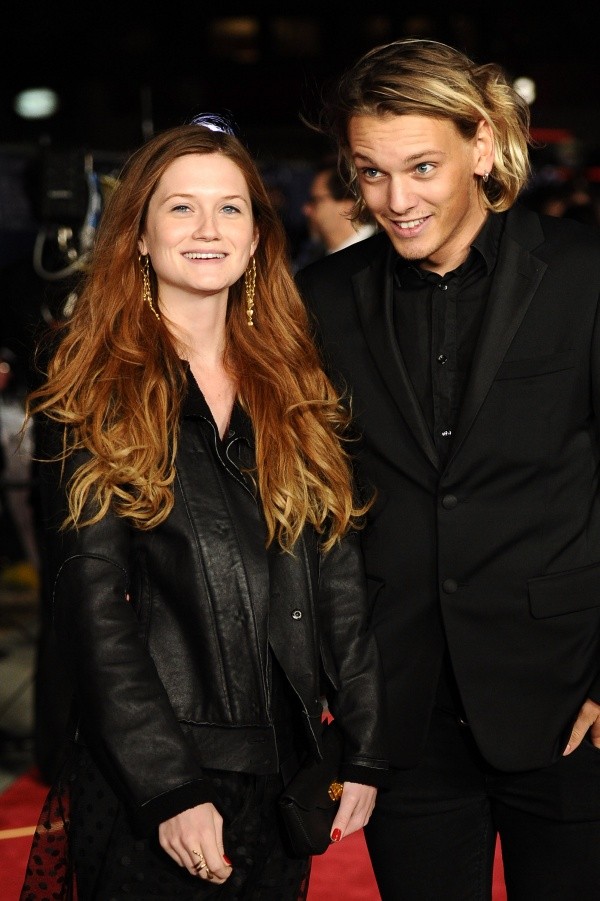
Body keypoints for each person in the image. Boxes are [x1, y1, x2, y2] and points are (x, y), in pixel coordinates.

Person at [19, 114, 388, 901]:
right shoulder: (91, 386)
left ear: (257, 237)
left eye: (230, 208)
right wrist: (167, 785)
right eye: (181, 207)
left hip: (283, 774)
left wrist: (363, 744)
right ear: (139, 238)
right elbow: (94, 607)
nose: (208, 228)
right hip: (154, 777)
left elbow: (338, 572)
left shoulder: (297, 384)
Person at [295, 38, 600, 901]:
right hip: (403, 711)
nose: (396, 200)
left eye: (421, 166)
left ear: (481, 144)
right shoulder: (323, 298)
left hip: (569, 703)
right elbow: (320, 496)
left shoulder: (584, 276)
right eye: (372, 172)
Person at [294, 157, 377, 269]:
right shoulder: (312, 262)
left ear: (349, 206)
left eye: (315, 200)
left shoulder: (381, 256)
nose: (306, 209)